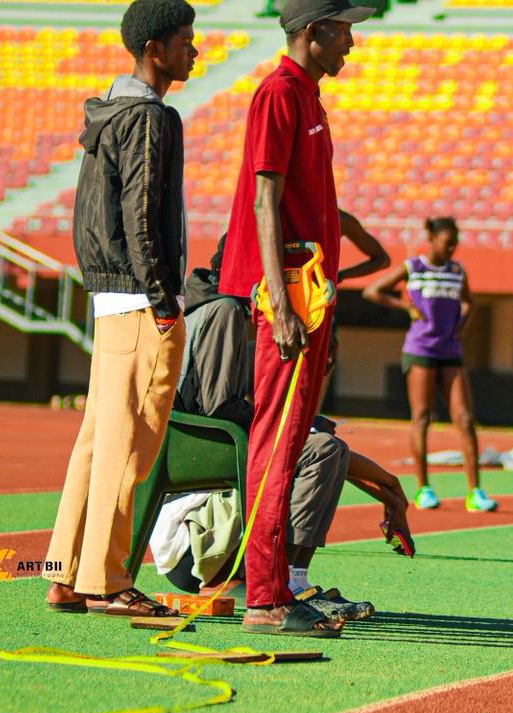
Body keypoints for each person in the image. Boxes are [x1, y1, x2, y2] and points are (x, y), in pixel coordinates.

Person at [219, 0, 376, 637]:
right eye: (342, 29)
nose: (352, 39)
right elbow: (263, 200)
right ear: (312, 32)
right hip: (287, 295)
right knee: (277, 443)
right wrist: (281, 306)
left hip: (312, 297)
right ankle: (264, 596)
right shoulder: (279, 93)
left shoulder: (307, 96)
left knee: (292, 441)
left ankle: (277, 584)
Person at [150, 231, 412, 621]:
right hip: (196, 531)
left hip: (219, 494)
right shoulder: (224, 312)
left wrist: (385, 486)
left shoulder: (232, 311)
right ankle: (285, 583)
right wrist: (298, 426)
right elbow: (220, 410)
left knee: (322, 442)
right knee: (322, 448)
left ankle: (292, 578)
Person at [42, 0, 198, 619]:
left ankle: (61, 572)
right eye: (186, 39)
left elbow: (94, 220)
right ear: (153, 50)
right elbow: (141, 217)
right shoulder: (153, 119)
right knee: (128, 446)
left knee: (96, 441)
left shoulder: (106, 114)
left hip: (110, 299)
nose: (196, 48)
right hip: (141, 302)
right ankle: (106, 581)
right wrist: (163, 299)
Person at [363, 216, 498, 513]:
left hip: (451, 350)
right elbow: (372, 291)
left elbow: (469, 302)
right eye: (447, 243)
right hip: (421, 349)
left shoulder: (456, 271)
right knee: (422, 417)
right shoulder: (414, 267)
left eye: (455, 244)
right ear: (432, 239)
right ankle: (424, 488)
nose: (451, 249)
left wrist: (461, 324)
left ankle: (475, 491)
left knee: (464, 418)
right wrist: (406, 306)